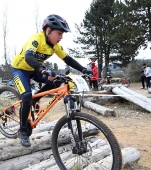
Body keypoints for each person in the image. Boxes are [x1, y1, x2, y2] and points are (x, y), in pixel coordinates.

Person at [11, 14, 93, 147]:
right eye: (59, 33)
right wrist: (43, 70)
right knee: (26, 96)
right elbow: (28, 56)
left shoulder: (55, 46)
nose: (61, 37)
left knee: (56, 81)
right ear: (48, 30)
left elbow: (68, 59)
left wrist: (84, 70)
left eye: (62, 34)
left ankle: (35, 100)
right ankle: (23, 131)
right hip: (20, 70)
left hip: (34, 69)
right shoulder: (36, 40)